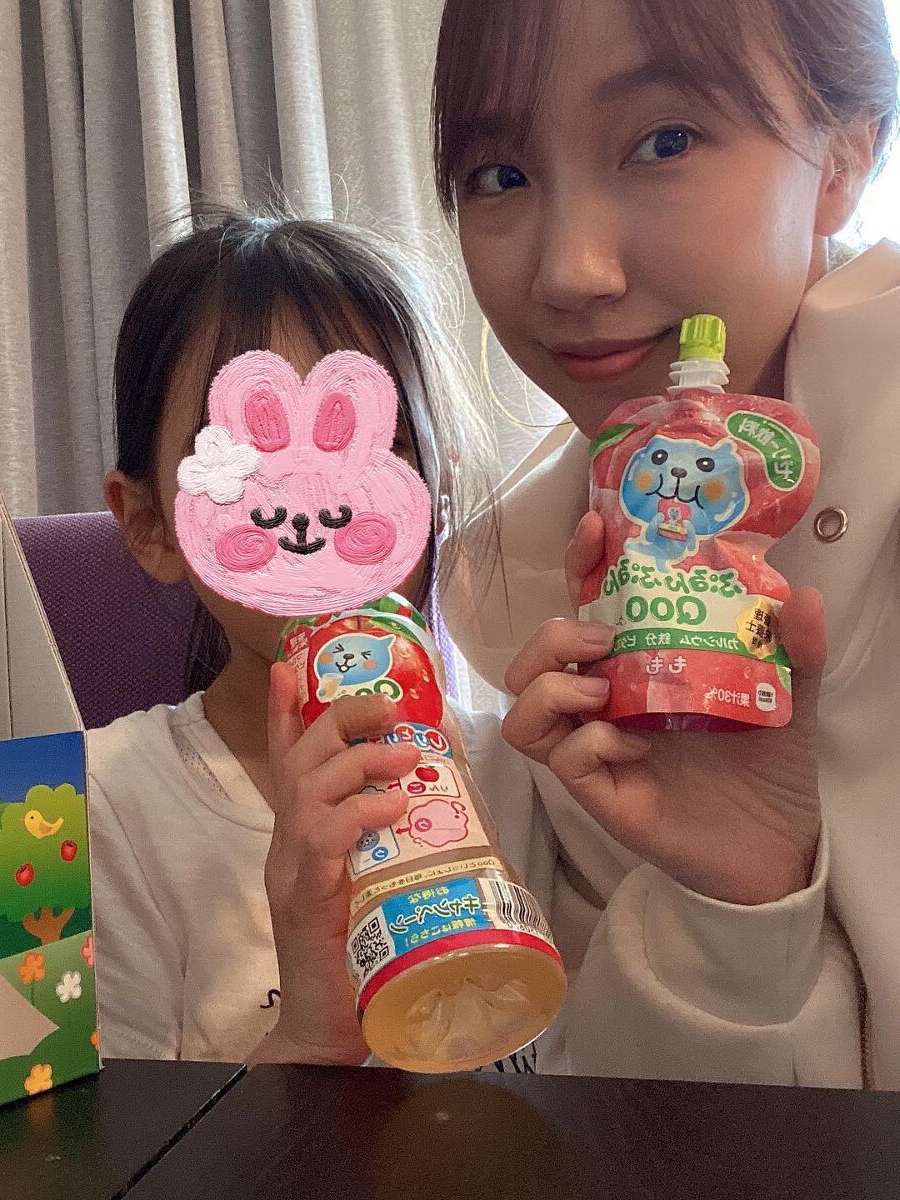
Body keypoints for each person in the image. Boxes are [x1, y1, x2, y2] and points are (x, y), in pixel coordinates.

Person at [424, 0, 899, 1088]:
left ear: (846, 149)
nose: (570, 272)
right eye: (500, 174)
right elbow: (659, 1139)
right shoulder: (540, 594)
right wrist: (735, 902)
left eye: (666, 141)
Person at [88, 208, 538, 1065]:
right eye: (251, 457)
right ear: (150, 523)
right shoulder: (104, 808)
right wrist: (306, 1036)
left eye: (379, 448)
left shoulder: (524, 775)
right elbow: (116, 1138)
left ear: (432, 496)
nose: (315, 508)